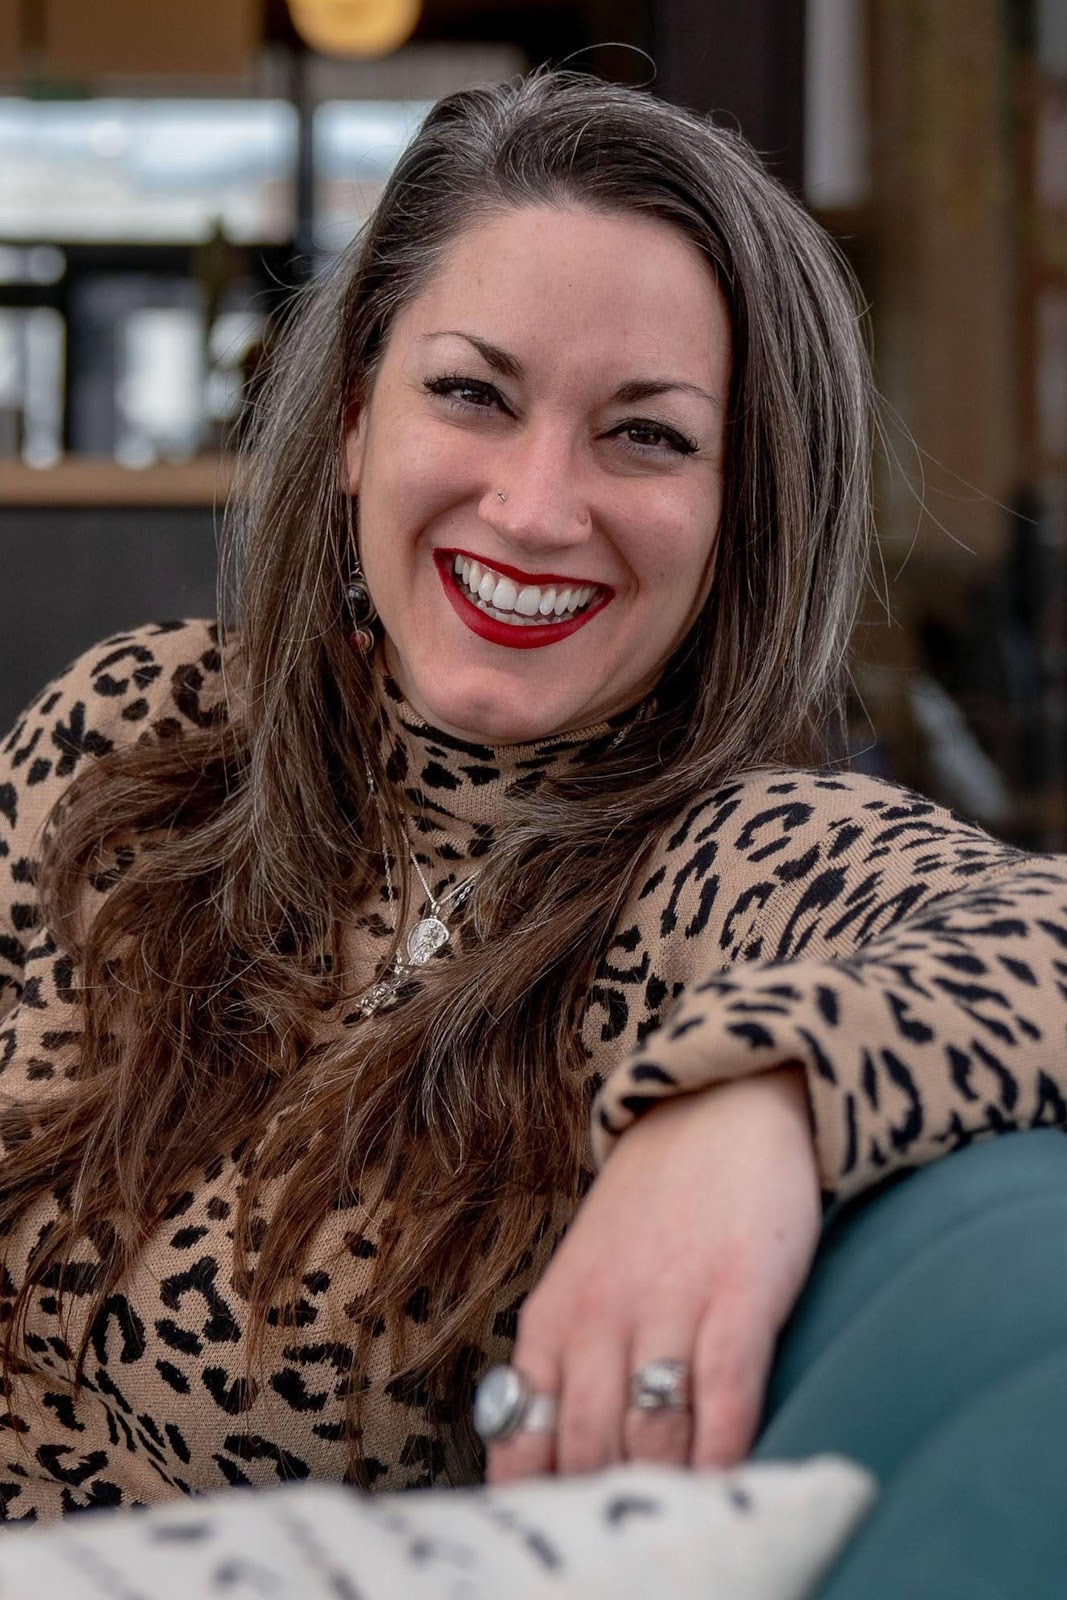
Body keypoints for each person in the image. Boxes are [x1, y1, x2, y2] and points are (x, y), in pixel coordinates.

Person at [1, 69, 1065, 1526]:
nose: (535, 506)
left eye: (647, 435)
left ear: (743, 509)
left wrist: (766, 1094)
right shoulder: (138, 727)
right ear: (359, 419)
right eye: (472, 395)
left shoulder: (736, 863)